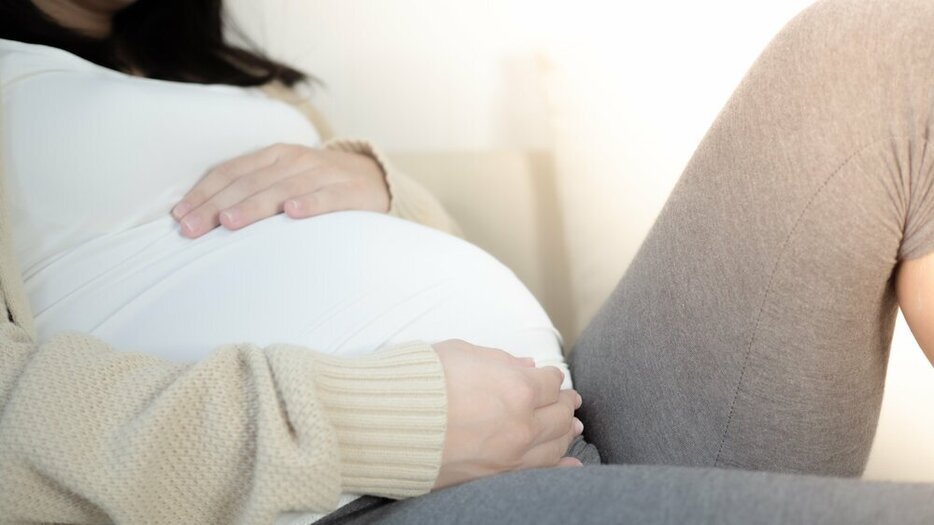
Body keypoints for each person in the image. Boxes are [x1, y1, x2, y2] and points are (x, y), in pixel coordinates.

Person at [2, 1, 934, 525]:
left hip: (553, 418)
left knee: (890, 46)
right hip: (353, 498)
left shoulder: (230, 82)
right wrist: (384, 422)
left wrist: (376, 183)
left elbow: (437, 260)